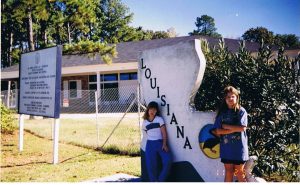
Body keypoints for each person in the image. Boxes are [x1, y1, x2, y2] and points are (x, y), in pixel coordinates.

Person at [211, 86, 249, 182]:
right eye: (228, 97)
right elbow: (217, 131)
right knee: (229, 171)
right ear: (225, 99)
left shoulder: (241, 111)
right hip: (226, 149)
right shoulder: (222, 113)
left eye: (232, 96)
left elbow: (243, 128)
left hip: (239, 149)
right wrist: (233, 129)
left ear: (237, 97)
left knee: (240, 172)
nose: (230, 99)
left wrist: (226, 126)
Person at [142, 101, 172, 182]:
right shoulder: (144, 122)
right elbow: (145, 133)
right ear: (148, 110)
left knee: (168, 160)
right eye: (151, 109)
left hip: (160, 143)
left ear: (157, 111)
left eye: (154, 110)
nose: (152, 112)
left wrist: (164, 144)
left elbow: (164, 132)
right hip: (150, 144)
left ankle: (160, 181)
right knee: (151, 166)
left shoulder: (159, 119)